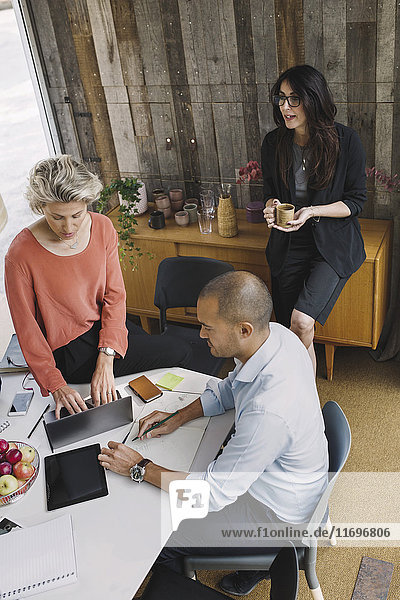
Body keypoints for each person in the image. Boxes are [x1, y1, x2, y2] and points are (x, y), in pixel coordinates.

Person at [98, 271, 328, 595]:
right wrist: (179, 415)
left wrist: (139, 467)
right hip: (284, 481)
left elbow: (208, 495)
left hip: (275, 517)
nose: (201, 334)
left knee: (157, 532)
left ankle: (240, 568)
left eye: (208, 327)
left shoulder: (268, 412)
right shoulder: (275, 337)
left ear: (243, 329)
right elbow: (231, 389)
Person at [5, 155, 191, 418]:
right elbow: (27, 330)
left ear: (87, 203)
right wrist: (57, 386)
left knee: (159, 355)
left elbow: (114, 295)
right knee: (178, 350)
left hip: (106, 324)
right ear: (40, 206)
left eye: (77, 215)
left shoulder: (102, 227)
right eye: (56, 217)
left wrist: (106, 357)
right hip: (70, 350)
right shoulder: (21, 254)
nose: (68, 227)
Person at [262, 64, 366, 374]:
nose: (285, 107)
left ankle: (301, 397)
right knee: (292, 331)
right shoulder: (274, 142)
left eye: (294, 99)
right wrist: (272, 206)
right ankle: (305, 399)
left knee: (301, 321)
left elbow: (356, 201)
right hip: (289, 241)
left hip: (332, 245)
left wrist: (312, 211)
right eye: (281, 98)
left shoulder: (346, 140)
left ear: (313, 99)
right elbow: (270, 192)